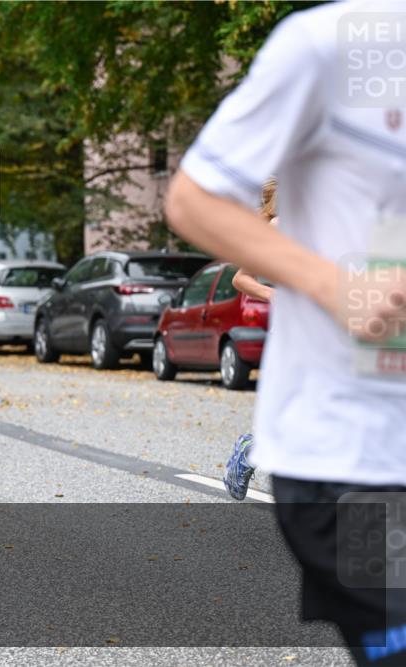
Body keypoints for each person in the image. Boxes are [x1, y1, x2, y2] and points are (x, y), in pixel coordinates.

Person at [164, 3, 405, 663]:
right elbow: (192, 200)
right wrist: (331, 288)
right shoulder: (331, 44)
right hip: (356, 456)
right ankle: (253, 451)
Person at [222, 177, 279, 501]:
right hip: (292, 332)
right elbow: (241, 278)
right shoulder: (277, 227)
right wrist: (271, 292)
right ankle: (251, 450)